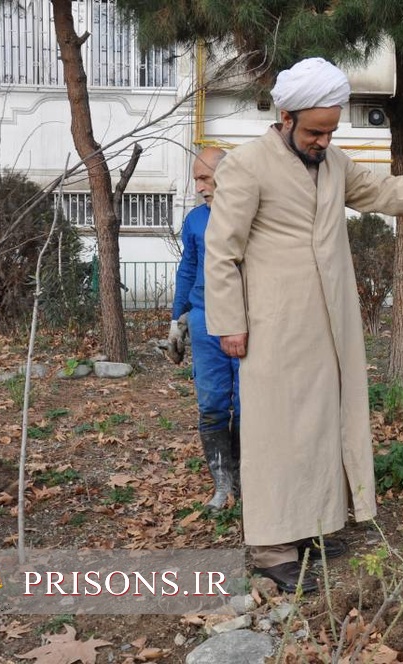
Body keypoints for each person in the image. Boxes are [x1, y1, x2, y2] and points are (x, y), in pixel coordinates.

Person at [204, 57, 403, 593]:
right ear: (287, 115)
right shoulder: (247, 165)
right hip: (272, 324)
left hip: (331, 321)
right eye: (315, 131)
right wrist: (228, 323)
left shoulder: (335, 163)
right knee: (278, 429)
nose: (323, 140)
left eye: (330, 131)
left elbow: (381, 193)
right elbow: (221, 252)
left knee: (323, 424)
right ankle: (273, 543)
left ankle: (312, 527)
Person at [167, 146, 240, 511]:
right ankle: (222, 486)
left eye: (205, 178)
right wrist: (176, 321)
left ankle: (245, 484)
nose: (199, 187)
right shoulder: (196, 220)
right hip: (204, 320)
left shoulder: (250, 217)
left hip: (246, 323)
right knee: (211, 405)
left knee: (248, 407)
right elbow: (187, 269)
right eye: (196, 179)